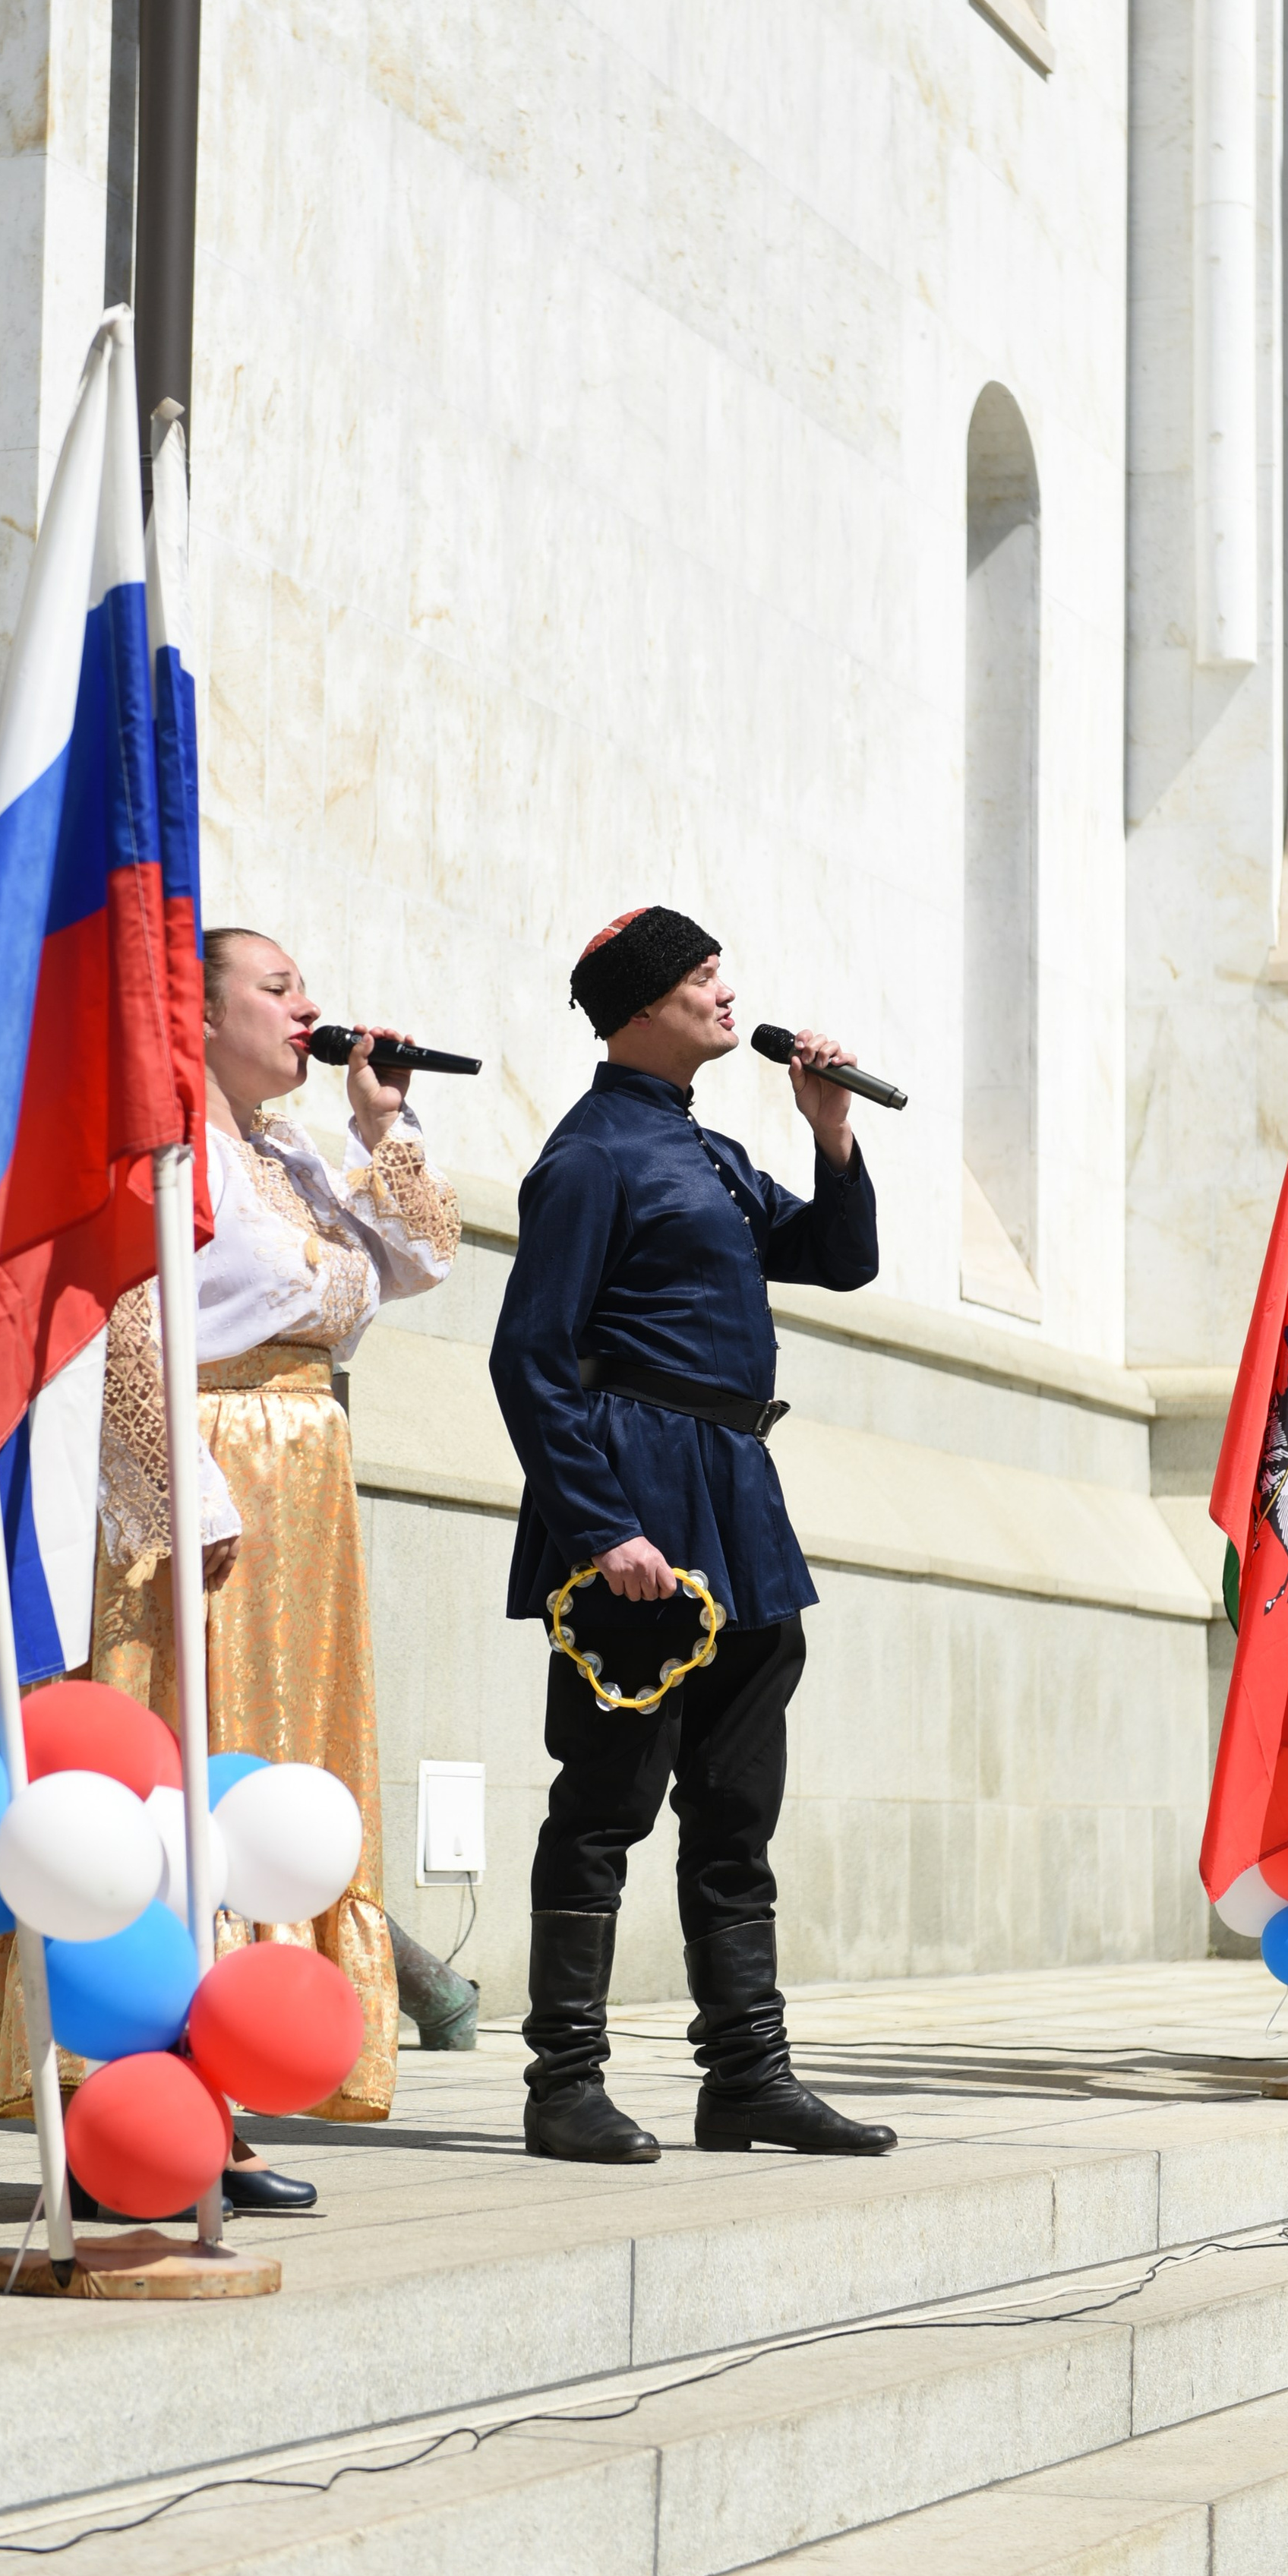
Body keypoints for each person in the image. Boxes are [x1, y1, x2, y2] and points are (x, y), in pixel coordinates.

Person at [0, 928, 461, 2207]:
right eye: (280, 987)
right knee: (186, 1757)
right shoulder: (170, 1151)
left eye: (307, 983)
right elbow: (129, 1318)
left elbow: (418, 1260)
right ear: (202, 1009)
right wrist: (182, 1491)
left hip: (308, 1480)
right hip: (210, 1473)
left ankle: (231, 2087)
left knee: (280, 1767)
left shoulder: (289, 1156)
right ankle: (157, 2097)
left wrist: (382, 1128)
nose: (310, 1006)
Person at [490, 905, 896, 2164]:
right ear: (641, 1005)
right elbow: (531, 1358)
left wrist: (829, 1132)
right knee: (608, 1797)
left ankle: (748, 2078)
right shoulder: (590, 1157)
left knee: (736, 1805)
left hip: (737, 1491)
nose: (728, 992)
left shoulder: (710, 1153)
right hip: (639, 1499)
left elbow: (837, 1260)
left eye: (723, 970)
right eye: (701, 976)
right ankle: (565, 2083)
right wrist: (600, 1527)